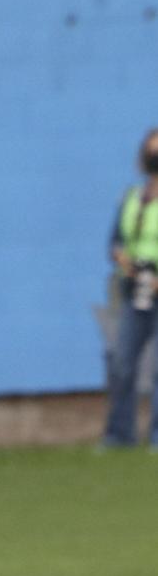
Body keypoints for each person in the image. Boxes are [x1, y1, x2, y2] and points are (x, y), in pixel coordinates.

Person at [102, 127, 158, 449]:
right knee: (123, 363)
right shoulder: (132, 198)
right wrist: (126, 263)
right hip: (136, 289)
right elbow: (115, 243)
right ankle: (119, 434)